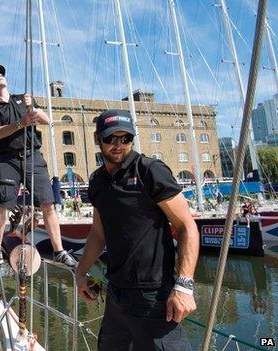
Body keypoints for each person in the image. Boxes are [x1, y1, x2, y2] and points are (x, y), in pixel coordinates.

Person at [76, 109, 198, 350]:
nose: (118, 145)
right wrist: (81, 273)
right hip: (116, 294)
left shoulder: (150, 171)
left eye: (126, 139)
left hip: (152, 296)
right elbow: (98, 234)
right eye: (111, 138)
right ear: (96, 139)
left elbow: (186, 226)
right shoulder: (97, 181)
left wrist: (184, 285)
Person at [0, 64, 77, 270]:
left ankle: (59, 251)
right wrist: (20, 123)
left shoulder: (23, 98)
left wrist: (31, 109)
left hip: (32, 155)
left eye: (1, 74)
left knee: (47, 203)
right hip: (8, 159)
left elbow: (46, 120)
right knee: (1, 204)